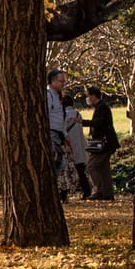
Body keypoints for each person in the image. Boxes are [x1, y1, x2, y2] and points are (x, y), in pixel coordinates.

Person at [85, 85, 118, 201]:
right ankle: (107, 193)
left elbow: (98, 123)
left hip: (103, 143)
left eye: (88, 96)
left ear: (93, 96)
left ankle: (98, 190)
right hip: (108, 142)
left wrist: (84, 122)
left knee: (92, 166)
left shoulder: (102, 108)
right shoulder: (101, 107)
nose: (87, 98)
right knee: (104, 168)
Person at [46, 70, 73, 200]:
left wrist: (65, 134)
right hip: (51, 133)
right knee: (57, 160)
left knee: (61, 162)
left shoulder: (57, 97)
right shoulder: (48, 96)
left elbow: (60, 118)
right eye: (61, 81)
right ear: (52, 82)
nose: (64, 83)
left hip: (58, 133)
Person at [64, 89, 92, 199]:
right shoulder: (77, 114)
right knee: (81, 172)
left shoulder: (62, 115)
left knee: (65, 172)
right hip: (79, 146)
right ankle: (87, 192)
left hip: (68, 146)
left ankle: (64, 195)